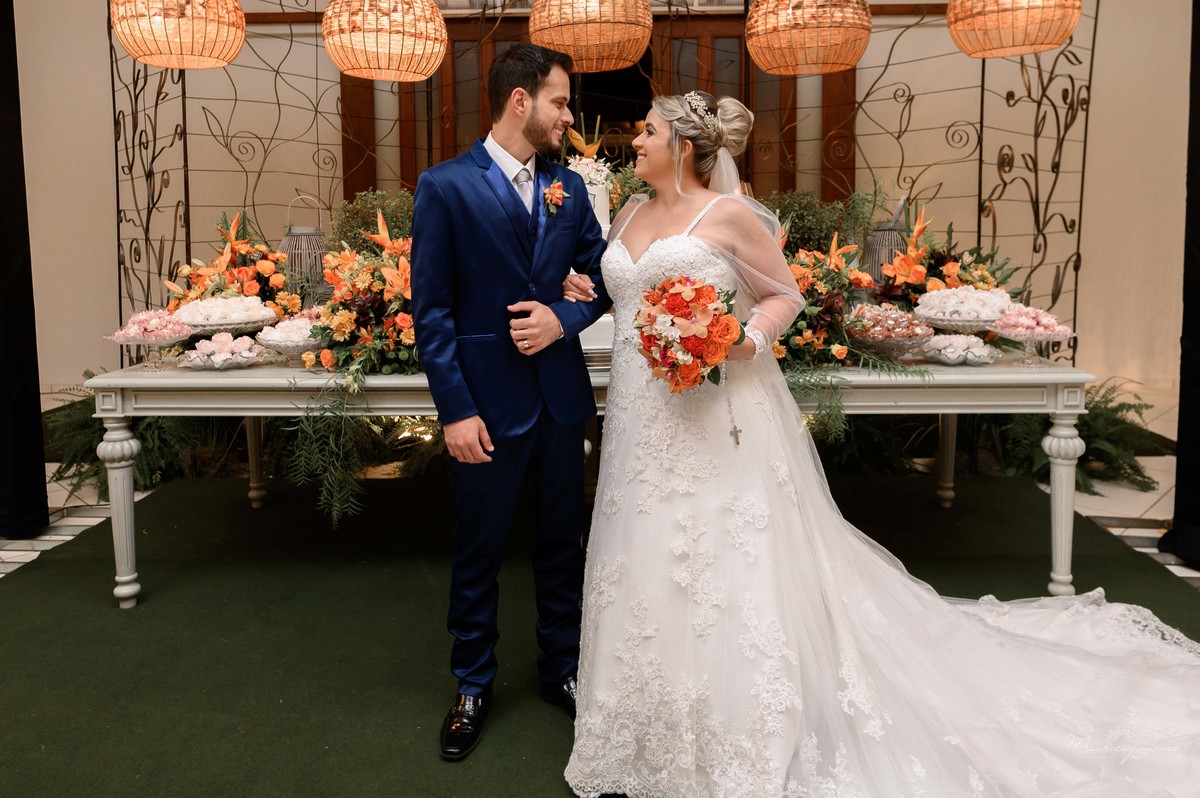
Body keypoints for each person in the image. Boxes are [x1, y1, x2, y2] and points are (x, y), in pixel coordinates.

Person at [561, 91, 1200, 797]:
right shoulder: (628, 212)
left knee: (715, 554)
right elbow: (623, 291)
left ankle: (731, 722)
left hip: (715, 416)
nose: (634, 141)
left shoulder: (729, 215)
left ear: (683, 146)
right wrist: (585, 286)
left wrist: (743, 341)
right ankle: (644, 718)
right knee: (642, 547)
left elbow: (783, 296)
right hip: (639, 416)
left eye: (647, 132)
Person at [410, 43, 612, 762]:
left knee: (562, 544)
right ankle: (472, 683)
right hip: (484, 408)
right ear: (520, 100)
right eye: (560, 102)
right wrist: (455, 411)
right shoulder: (444, 187)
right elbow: (432, 313)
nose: (569, 117)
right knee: (480, 549)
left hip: (559, 401)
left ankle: (562, 668)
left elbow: (605, 278)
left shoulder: (571, 189)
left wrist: (565, 316)